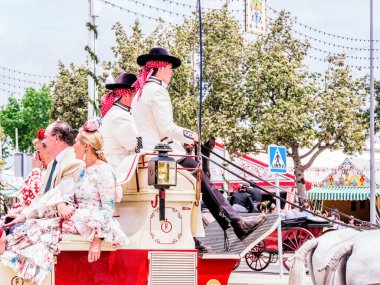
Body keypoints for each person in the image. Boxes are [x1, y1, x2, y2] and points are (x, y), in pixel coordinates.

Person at [131, 47, 265, 241]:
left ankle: (198, 234)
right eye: (170, 68)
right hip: (164, 156)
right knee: (203, 180)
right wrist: (190, 135)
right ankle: (236, 222)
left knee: (200, 182)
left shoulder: (139, 94)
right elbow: (167, 127)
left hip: (148, 153)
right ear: (160, 68)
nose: (172, 72)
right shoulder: (158, 91)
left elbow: (153, 129)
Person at [1, 120, 85, 284]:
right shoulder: (54, 164)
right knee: (6, 224)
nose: (44, 141)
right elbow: (41, 197)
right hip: (42, 216)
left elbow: (57, 197)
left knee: (10, 233)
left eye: (46, 137)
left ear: (57, 137)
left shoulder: (73, 163)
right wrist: (22, 215)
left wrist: (24, 218)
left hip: (56, 220)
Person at [66, 118, 129, 262]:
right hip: (79, 219)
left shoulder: (104, 170)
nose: (74, 146)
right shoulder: (80, 169)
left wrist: (97, 239)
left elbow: (108, 209)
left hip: (95, 225)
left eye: (76, 142)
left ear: (86, 146)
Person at [1, 129, 52, 234]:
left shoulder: (51, 171)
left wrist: (36, 170)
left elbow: (35, 196)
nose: (35, 157)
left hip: (35, 218)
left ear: (48, 151)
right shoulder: (42, 171)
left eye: (38, 152)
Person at [100, 72, 141, 169]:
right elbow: (135, 145)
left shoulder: (117, 112)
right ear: (126, 95)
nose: (139, 98)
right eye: (136, 95)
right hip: (118, 169)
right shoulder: (120, 116)